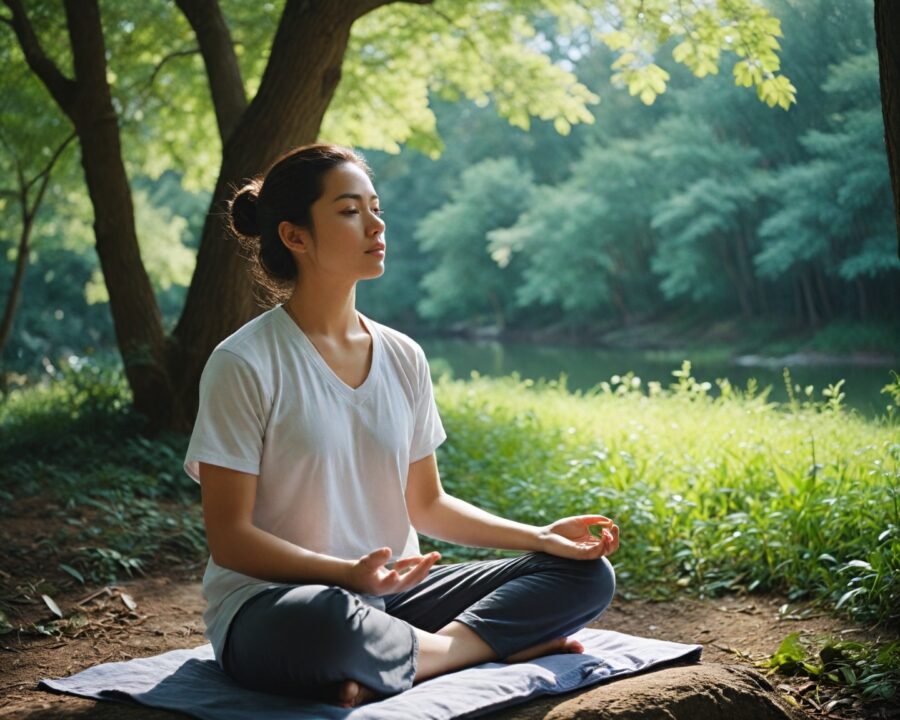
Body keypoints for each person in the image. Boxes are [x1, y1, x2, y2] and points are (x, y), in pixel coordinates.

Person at [184, 143, 619, 708]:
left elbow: (428, 505)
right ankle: (473, 650)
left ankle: (417, 659)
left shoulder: (403, 356)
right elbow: (231, 539)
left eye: (375, 207)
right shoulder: (243, 363)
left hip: (394, 594)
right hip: (279, 605)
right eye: (348, 211)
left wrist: (539, 537)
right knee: (327, 624)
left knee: (584, 576)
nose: (375, 224)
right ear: (295, 236)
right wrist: (345, 573)